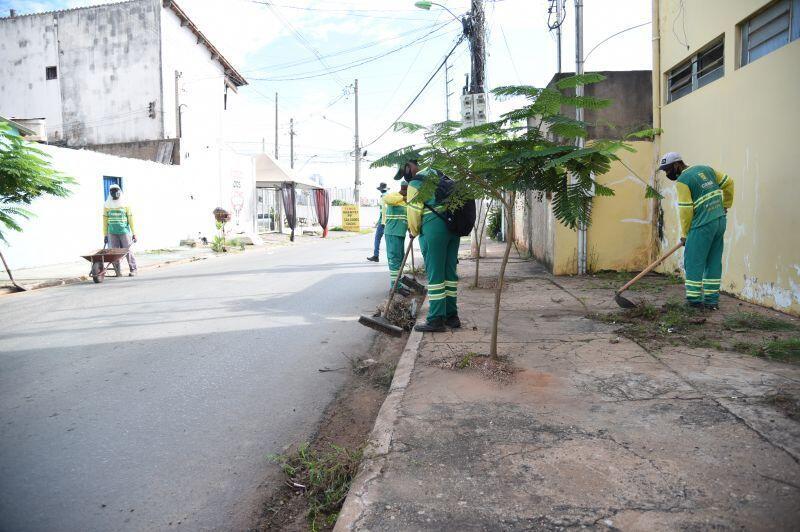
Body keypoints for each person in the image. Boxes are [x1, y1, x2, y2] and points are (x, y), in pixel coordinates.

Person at [658, 152, 734, 310]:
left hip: (702, 225)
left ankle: (694, 301)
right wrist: (725, 205)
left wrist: (685, 234)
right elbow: (729, 182)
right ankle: (712, 301)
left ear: (677, 165)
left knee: (693, 262)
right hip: (719, 221)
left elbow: (686, 210)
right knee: (713, 261)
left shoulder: (683, 181)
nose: (667, 173)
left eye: (668, 169)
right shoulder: (706, 169)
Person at [404, 160, 460, 332]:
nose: (407, 172)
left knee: (435, 275)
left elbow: (413, 212)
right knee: (449, 273)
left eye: (407, 167)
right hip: (453, 226)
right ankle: (452, 316)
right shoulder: (441, 175)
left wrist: (413, 231)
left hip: (433, 228)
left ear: (414, 165)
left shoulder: (416, 183)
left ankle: (435, 319)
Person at [103, 184, 138, 276]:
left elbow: (130, 219)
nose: (115, 192)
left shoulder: (126, 204)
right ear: (110, 193)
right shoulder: (107, 205)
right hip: (112, 232)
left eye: (116, 190)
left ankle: (133, 269)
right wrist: (105, 234)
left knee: (128, 251)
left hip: (124, 231)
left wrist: (134, 233)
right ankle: (118, 272)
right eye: (112, 191)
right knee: (114, 253)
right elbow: (105, 221)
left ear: (120, 191)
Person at [382, 179, 409, 291]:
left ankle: (398, 282)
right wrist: (402, 197)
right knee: (394, 259)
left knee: (400, 259)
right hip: (392, 233)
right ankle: (395, 286)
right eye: (404, 189)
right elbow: (386, 199)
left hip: (401, 234)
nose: (405, 191)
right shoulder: (394, 195)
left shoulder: (409, 201)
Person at [366, 182, 388, 262]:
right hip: (385, 222)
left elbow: (384, 211)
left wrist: (382, 222)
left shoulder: (384, 197)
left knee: (378, 239)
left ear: (381, 190)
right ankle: (377, 256)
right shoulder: (387, 196)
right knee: (386, 240)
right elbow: (382, 211)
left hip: (384, 223)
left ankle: (376, 256)